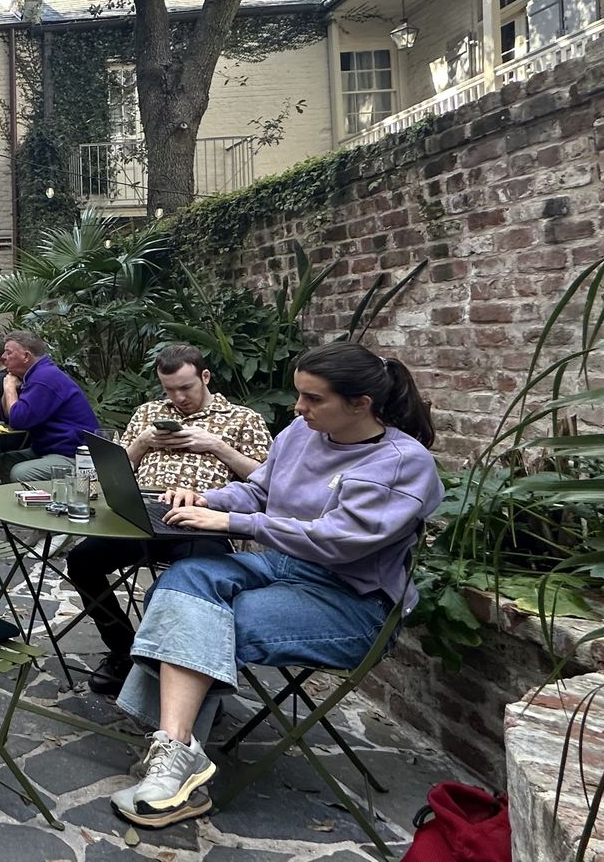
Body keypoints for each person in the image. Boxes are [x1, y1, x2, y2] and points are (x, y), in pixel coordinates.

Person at [108, 342, 442, 829]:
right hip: (286, 566)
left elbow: (339, 543)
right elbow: (260, 491)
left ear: (360, 405)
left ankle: (173, 755)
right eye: (298, 396)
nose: (298, 408)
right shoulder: (302, 435)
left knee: (203, 619)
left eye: (312, 399)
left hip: (353, 602)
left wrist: (231, 522)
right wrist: (206, 497)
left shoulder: (401, 464)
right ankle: (178, 748)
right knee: (186, 578)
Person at [67, 343, 272, 696]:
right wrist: (143, 442)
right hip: (142, 513)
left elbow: (269, 481)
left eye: (186, 388)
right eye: (169, 390)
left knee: (187, 587)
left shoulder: (242, 419)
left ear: (205, 377)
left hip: (203, 520)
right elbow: (114, 471)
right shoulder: (148, 413)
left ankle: (189, 678)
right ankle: (123, 652)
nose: (178, 398)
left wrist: (217, 446)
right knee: (81, 560)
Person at [0, 331, 100, 484]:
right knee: (3, 462)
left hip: (75, 456)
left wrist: (9, 388)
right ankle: (24, 500)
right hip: (48, 449)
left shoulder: (45, 378)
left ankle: (42, 503)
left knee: (20, 473)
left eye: (8, 353)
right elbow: (9, 416)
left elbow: (18, 420)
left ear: (26, 357)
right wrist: (9, 385)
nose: (2, 357)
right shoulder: (35, 375)